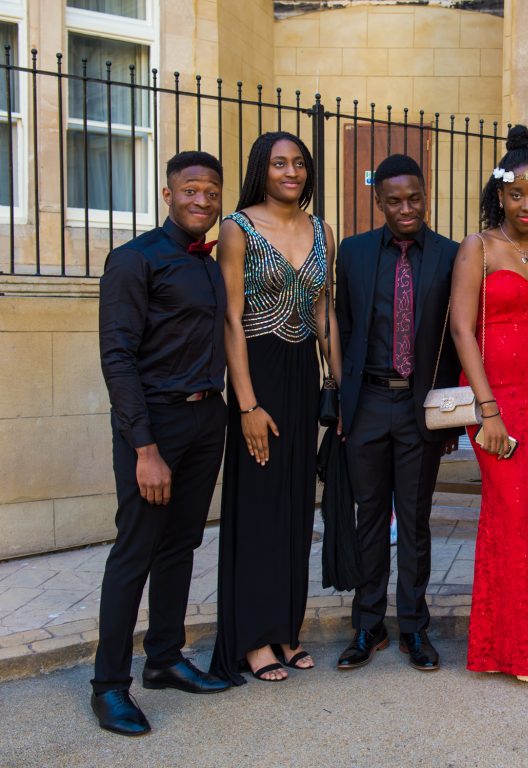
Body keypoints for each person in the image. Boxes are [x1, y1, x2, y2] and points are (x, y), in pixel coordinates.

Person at [93, 151, 231, 736]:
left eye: (211, 191)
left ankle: (166, 660)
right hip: (154, 427)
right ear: (169, 194)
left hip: (206, 420)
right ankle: (108, 686)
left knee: (181, 545)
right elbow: (117, 358)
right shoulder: (133, 260)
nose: (202, 200)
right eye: (191, 190)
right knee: (136, 551)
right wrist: (145, 449)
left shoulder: (211, 263)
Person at [210, 131, 339, 684]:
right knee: (258, 506)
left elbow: (321, 309)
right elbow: (230, 319)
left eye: (300, 164)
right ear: (261, 168)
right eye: (280, 163)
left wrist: (337, 379)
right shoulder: (236, 228)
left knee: (292, 508)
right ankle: (253, 640)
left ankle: (286, 629)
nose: (292, 172)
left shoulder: (323, 231)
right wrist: (246, 405)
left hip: (301, 375)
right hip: (255, 375)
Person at [334, 154, 462, 673]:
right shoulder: (356, 252)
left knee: (413, 522)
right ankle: (367, 626)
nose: (406, 208)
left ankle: (414, 628)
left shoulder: (452, 255)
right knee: (370, 520)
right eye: (394, 201)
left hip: (419, 407)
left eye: (414, 198)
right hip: (366, 403)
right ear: (378, 201)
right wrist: (342, 403)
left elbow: (458, 335)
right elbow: (342, 327)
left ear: (425, 195)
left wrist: (450, 413)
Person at [451, 125, 528, 682]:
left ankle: (524, 639)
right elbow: (460, 329)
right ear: (499, 194)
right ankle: (514, 646)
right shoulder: (478, 247)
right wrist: (486, 408)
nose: (526, 203)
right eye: (516, 193)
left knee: (527, 514)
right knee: (513, 510)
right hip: (497, 400)